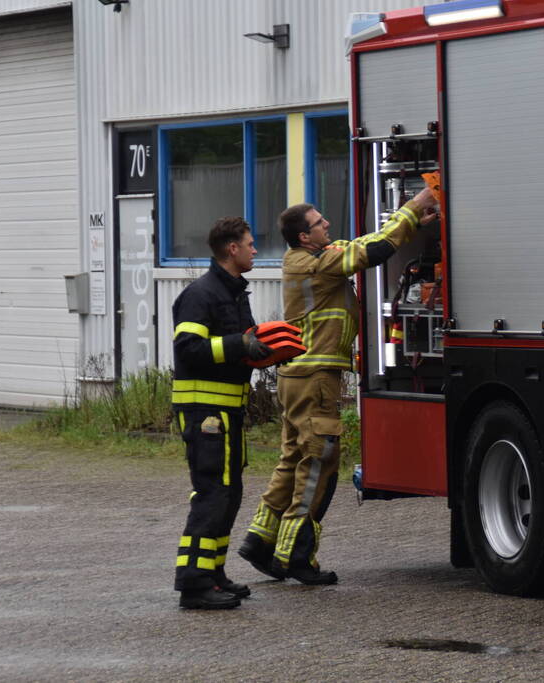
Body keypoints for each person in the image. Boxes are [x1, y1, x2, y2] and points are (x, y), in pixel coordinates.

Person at [238, 188, 439, 584]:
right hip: (314, 379)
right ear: (304, 236)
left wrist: (413, 221)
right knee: (319, 461)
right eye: (318, 223)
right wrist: (413, 208)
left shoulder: (308, 258)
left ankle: (260, 540)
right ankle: (296, 554)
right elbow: (371, 252)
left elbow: (361, 242)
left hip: (297, 377)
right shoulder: (315, 264)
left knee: (293, 459)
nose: (326, 224)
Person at [171, 216, 272, 610]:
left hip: (228, 412)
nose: (255, 250)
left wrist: (267, 350)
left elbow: (239, 345)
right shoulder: (201, 294)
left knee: (229, 494)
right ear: (232, 248)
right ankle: (194, 583)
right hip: (206, 414)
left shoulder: (233, 293)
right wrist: (238, 345)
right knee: (213, 493)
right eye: (250, 244)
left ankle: (213, 572)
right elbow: (189, 348)